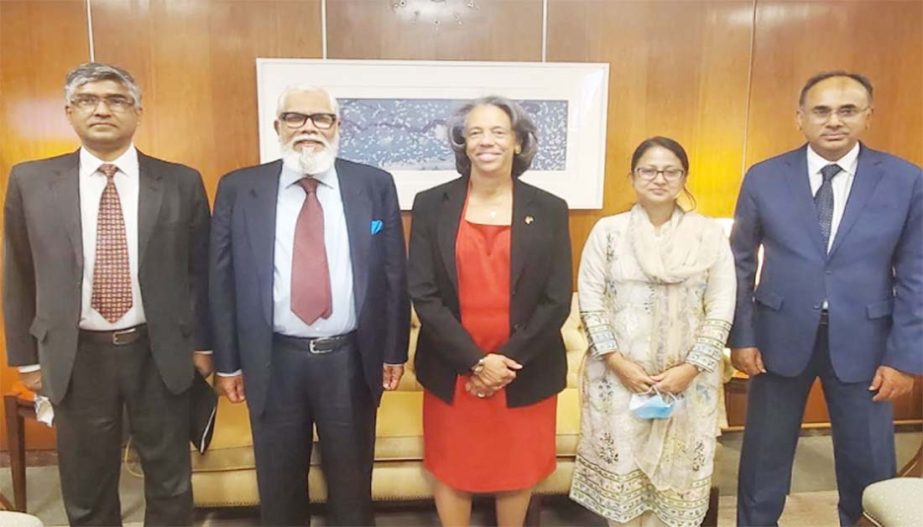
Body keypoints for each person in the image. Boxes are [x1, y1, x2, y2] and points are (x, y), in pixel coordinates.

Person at [2, 62, 212, 526]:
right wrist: (28, 359)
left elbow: (201, 272)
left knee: (170, 479)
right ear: (69, 112)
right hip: (77, 355)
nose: (102, 109)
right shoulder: (31, 181)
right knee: (86, 482)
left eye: (116, 100)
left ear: (137, 112)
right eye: (88, 100)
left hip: (158, 352)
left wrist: (203, 346)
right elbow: (17, 273)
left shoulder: (180, 181)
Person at [210, 85, 410, 526]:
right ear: (277, 126)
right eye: (295, 117)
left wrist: (394, 351)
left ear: (337, 127)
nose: (308, 128)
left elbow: (394, 272)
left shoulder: (373, 185)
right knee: (278, 486)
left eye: (320, 118)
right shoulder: (240, 188)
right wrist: (227, 362)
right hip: (272, 360)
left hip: (350, 359)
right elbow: (220, 280)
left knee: (352, 485)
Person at [731, 71, 922, 526]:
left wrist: (906, 359)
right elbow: (737, 263)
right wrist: (741, 335)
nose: (833, 121)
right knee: (763, 461)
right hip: (776, 340)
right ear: (800, 117)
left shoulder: (905, 179)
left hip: (868, 344)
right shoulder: (764, 177)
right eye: (821, 110)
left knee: (869, 465)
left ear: (867, 117)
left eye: (847, 110)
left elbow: (917, 274)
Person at [408, 96, 572, 527]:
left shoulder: (550, 209)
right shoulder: (431, 204)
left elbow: (556, 299)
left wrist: (502, 364)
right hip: (452, 365)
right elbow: (423, 292)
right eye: (475, 132)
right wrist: (475, 362)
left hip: (524, 365)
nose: (487, 141)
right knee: (452, 468)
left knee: (516, 469)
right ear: (463, 144)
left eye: (499, 132)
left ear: (518, 142)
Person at [569, 137, 736, 527]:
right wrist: (616, 361)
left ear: (683, 177)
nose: (659, 178)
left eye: (670, 171)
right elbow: (590, 301)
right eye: (648, 170)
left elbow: (722, 304)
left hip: (688, 381)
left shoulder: (707, 234)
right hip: (619, 377)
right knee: (624, 490)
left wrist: (691, 368)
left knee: (676, 490)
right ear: (633, 177)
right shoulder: (608, 232)